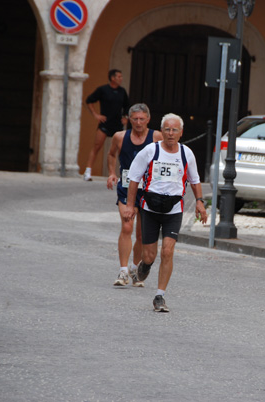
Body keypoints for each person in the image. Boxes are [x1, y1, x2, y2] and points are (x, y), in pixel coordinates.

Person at [123, 113, 208, 312]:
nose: (170, 133)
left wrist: (200, 202)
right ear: (161, 131)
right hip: (150, 208)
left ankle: (159, 296)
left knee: (167, 251)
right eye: (167, 129)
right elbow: (134, 179)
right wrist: (130, 206)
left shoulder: (186, 153)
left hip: (173, 209)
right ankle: (145, 265)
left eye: (174, 130)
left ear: (181, 133)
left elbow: (195, 180)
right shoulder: (150, 151)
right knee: (150, 255)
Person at [107, 103, 163, 287]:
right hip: (126, 186)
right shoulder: (120, 136)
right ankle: (123, 271)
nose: (138, 122)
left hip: (147, 189)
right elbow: (111, 154)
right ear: (129, 120)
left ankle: (134, 268)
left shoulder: (156, 137)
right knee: (127, 226)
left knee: (141, 234)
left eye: (142, 119)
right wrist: (111, 173)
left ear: (148, 119)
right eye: (135, 119)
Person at [83, 69, 130, 181]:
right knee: (97, 146)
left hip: (117, 124)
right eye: (119, 76)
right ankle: (88, 171)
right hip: (105, 123)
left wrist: (126, 117)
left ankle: (120, 174)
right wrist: (96, 115)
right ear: (112, 78)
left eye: (121, 76)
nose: (121, 79)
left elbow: (127, 106)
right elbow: (89, 100)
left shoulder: (122, 91)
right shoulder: (103, 90)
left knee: (121, 149)